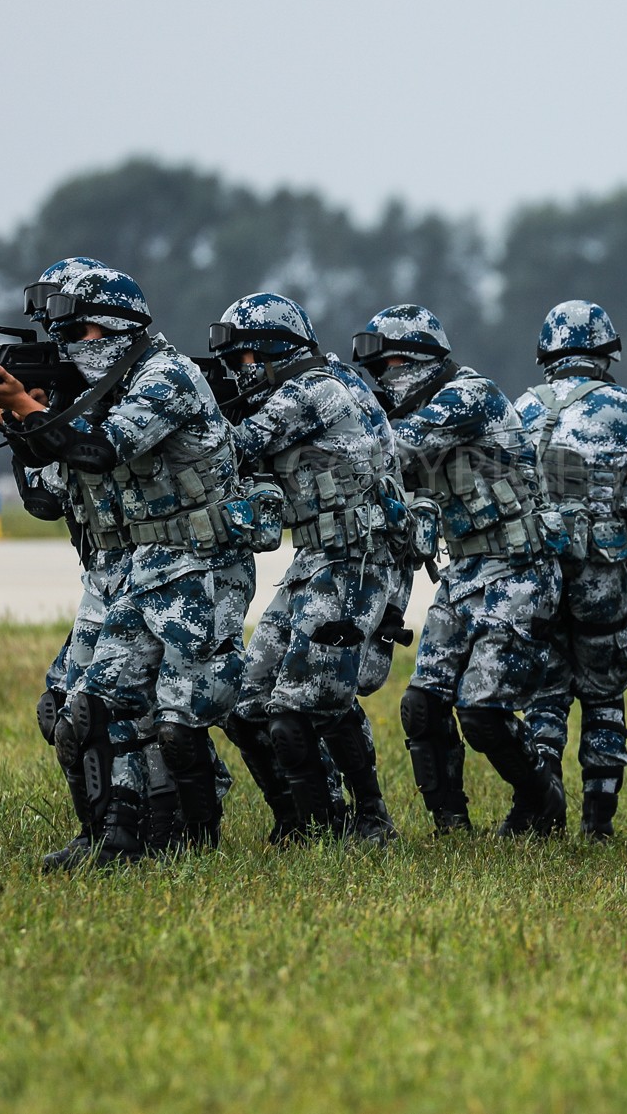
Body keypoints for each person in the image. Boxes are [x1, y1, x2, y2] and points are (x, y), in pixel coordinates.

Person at [0, 265, 254, 865]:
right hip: (137, 568)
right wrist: (12, 417)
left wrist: (28, 406)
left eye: (80, 332)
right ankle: (113, 838)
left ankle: (194, 839)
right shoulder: (87, 394)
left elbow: (101, 450)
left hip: (199, 566)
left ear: (120, 326)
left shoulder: (167, 377)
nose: (68, 347)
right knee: (85, 709)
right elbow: (47, 497)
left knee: (176, 720)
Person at [355, 304, 566, 836]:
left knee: (482, 712)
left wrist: (339, 413)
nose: (383, 380)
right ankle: (451, 827)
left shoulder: (469, 396)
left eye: (390, 366)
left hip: (519, 570)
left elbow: (392, 446)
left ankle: (542, 802)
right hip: (466, 572)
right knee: (422, 706)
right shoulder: (424, 403)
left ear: (420, 360)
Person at [212, 292, 402, 847]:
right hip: (316, 559)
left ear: (273, 352)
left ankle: (354, 822)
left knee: (301, 705)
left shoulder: (311, 391)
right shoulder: (323, 380)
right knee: (244, 703)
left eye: (245, 361)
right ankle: (299, 818)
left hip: (352, 561)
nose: (239, 374)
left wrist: (190, 405)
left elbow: (229, 451)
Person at [514, 300, 627, 840]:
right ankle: (597, 823)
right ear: (607, 351)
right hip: (602, 573)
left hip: (534, 574)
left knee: (544, 691)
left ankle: (542, 812)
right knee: (603, 693)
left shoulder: (521, 408)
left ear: (547, 352)